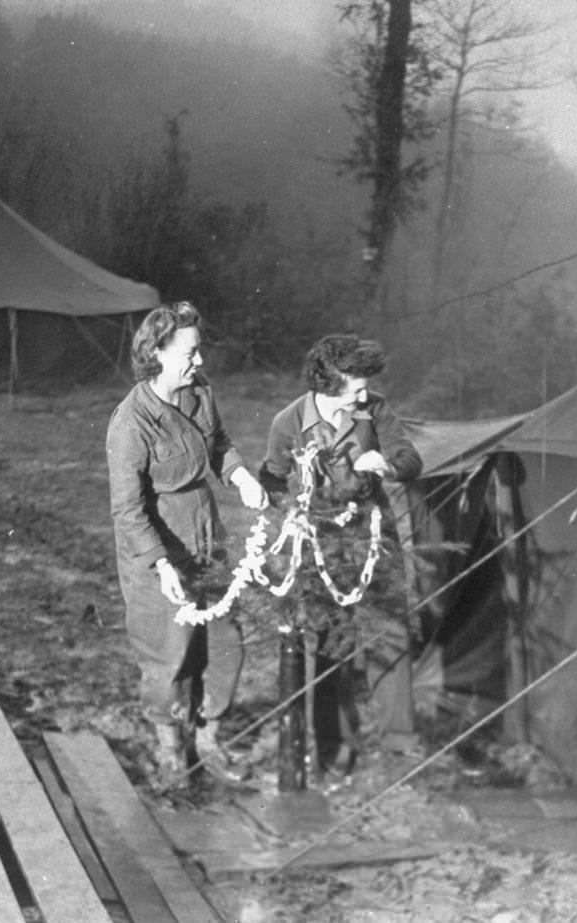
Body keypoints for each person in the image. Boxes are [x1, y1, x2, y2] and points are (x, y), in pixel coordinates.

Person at [106, 301, 268, 787]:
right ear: (156, 352)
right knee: (168, 655)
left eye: (200, 351)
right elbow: (128, 510)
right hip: (157, 553)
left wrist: (240, 475)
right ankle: (171, 753)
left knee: (224, 646)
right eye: (190, 353)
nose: (200, 362)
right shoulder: (131, 424)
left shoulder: (199, 393)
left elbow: (218, 443)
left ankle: (208, 739)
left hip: (205, 539)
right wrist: (160, 564)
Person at [259, 334, 421, 775]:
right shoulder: (288, 422)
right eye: (354, 388)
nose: (363, 395)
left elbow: (410, 458)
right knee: (331, 642)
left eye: (366, 386)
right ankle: (335, 751)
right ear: (326, 384)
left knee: (390, 633)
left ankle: (401, 750)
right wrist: (287, 505)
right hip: (320, 544)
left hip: (373, 537)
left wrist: (386, 466)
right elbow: (272, 478)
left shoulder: (376, 411)